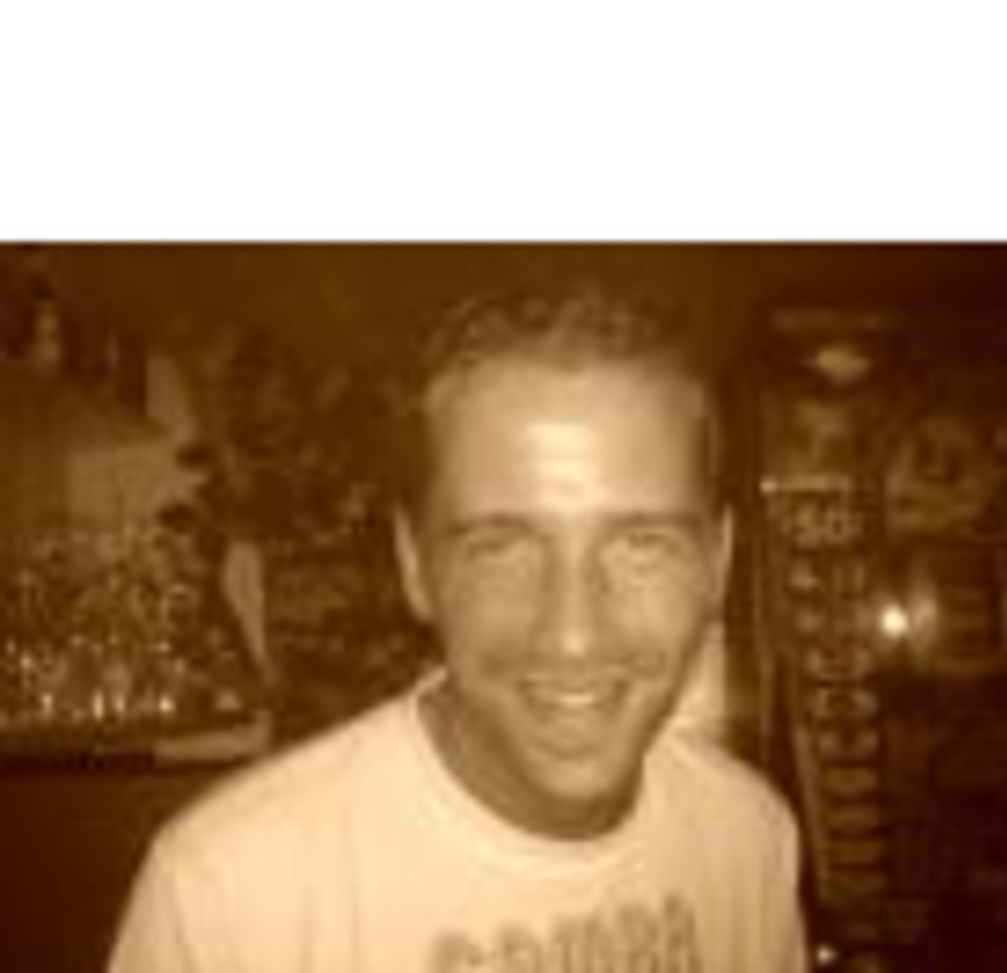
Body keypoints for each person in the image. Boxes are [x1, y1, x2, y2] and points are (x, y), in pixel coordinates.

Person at [108, 278, 807, 973]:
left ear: (719, 564)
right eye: (500, 546)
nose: (573, 636)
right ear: (415, 566)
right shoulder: (226, 897)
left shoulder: (752, 839)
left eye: (641, 544)